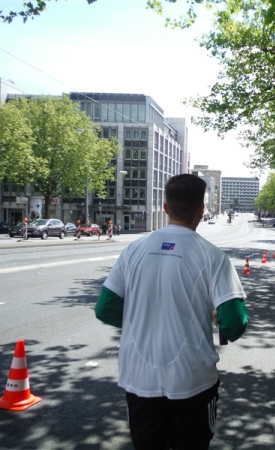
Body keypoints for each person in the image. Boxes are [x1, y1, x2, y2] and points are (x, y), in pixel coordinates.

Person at [94, 174, 248, 450]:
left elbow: (105, 308)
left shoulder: (133, 250)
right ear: (201, 210)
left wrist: (141, 319)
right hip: (193, 380)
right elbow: (234, 324)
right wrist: (215, 319)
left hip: (139, 378)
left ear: (165, 207)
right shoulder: (212, 256)